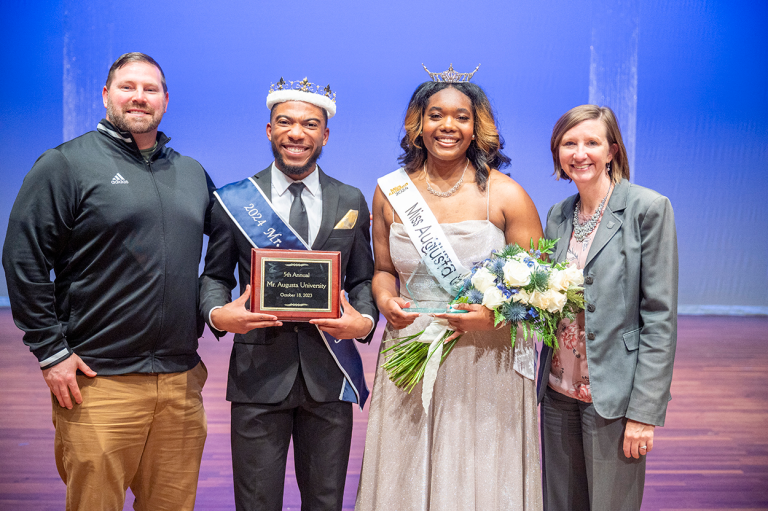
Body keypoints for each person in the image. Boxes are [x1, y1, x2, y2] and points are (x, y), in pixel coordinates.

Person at [2, 52, 214, 510]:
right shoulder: (65, 165)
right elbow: (23, 259)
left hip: (179, 382)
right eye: (127, 86)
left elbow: (229, 251)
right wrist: (51, 352)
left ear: (165, 100)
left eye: (150, 88)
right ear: (105, 95)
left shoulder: (192, 173)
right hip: (98, 382)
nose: (139, 96)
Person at [356, 65, 544, 510]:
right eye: (436, 115)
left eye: (461, 116)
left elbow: (538, 288)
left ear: (477, 127)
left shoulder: (506, 195)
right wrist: (384, 299)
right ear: (417, 125)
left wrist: (492, 315)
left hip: (484, 353)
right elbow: (383, 268)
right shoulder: (390, 192)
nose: (448, 126)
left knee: (477, 467)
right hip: (410, 348)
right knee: (407, 466)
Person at [199, 76, 378, 511]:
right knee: (257, 503)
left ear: (325, 135)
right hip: (258, 375)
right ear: (269, 130)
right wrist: (218, 315)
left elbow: (362, 281)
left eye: (310, 124)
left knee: (325, 501)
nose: (297, 133)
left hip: (329, 376)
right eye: (285, 122)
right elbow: (213, 277)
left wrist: (365, 321)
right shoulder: (234, 200)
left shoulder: (350, 199)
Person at [536, 105, 678, 511]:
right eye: (569, 143)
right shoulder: (559, 215)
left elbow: (660, 318)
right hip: (558, 388)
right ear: (557, 152)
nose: (580, 153)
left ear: (612, 150)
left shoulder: (647, 209)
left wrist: (644, 414)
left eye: (592, 143)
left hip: (613, 395)